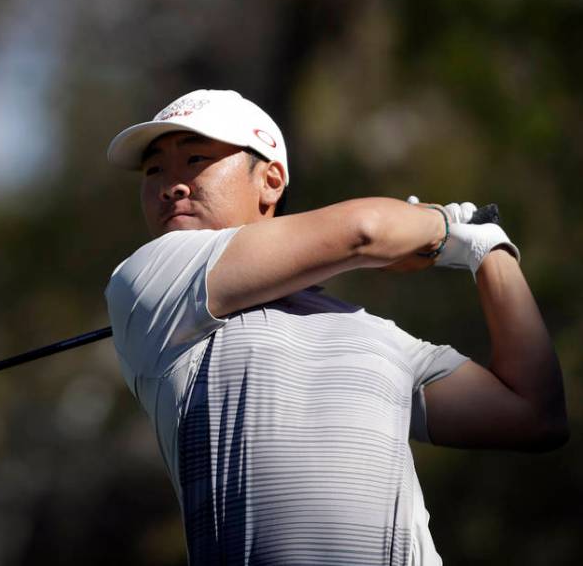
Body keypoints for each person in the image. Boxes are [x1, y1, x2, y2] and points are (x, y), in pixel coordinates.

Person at [103, 89, 568, 565]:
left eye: (195, 159)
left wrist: (488, 249)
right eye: (154, 169)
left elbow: (533, 413)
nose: (170, 185)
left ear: (271, 180)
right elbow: (364, 231)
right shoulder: (150, 281)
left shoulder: (378, 336)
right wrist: (442, 225)